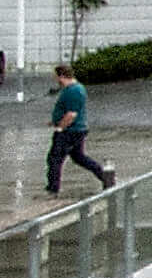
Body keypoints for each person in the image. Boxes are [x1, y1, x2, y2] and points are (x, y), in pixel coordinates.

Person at [44, 63, 113, 195]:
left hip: (70, 131)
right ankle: (105, 177)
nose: (56, 81)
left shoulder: (74, 91)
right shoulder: (72, 89)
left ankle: (53, 189)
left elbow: (72, 114)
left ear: (62, 76)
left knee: (55, 159)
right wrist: (54, 120)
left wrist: (60, 128)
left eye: (57, 77)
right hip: (75, 130)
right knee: (79, 157)